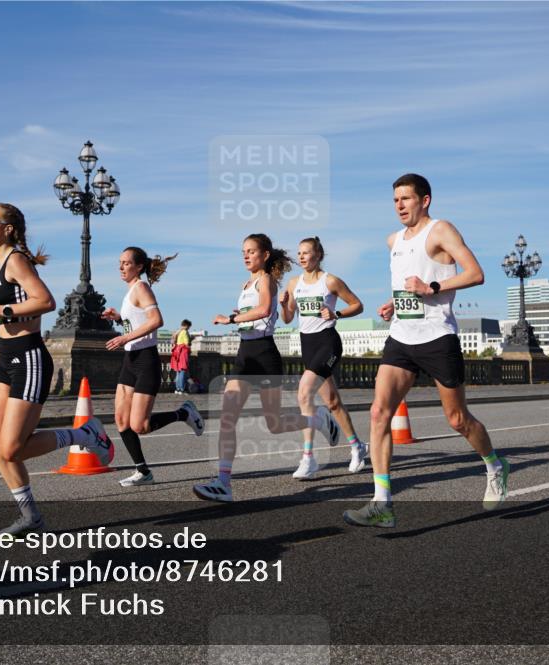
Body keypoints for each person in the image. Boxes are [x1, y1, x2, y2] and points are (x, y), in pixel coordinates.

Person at [343, 173, 507, 528]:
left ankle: (495, 465)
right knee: (378, 413)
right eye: (395, 200)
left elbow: (476, 273)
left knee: (457, 419)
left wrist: (431, 287)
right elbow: (409, 287)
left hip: (437, 338)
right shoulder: (394, 241)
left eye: (406, 199)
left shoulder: (441, 230)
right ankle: (382, 502)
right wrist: (393, 304)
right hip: (402, 337)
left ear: (425, 200)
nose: (399, 205)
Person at [0, 203, 112, 536]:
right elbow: (11, 311)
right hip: (6, 358)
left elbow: (45, 301)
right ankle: (30, 516)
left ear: (8, 228)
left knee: (11, 448)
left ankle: (85, 434)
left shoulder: (16, 259)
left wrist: (0, 309)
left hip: (29, 358)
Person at [193, 234, 340, 503]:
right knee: (228, 415)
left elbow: (262, 310)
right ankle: (223, 482)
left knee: (275, 424)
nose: (246, 256)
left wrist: (232, 318)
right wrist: (239, 315)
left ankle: (318, 419)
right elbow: (254, 312)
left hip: (264, 356)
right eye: (243, 252)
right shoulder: (247, 283)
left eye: (251, 251)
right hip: (244, 354)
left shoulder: (267, 280)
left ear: (265, 255)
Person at [100, 248, 205, 487]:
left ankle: (184, 413)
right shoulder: (129, 292)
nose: (121, 267)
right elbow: (137, 321)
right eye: (119, 263)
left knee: (140, 426)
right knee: (121, 420)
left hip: (146, 361)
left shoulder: (142, 288)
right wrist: (118, 319)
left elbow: (157, 320)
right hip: (130, 361)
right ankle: (143, 471)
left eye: (126, 263)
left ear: (138, 267)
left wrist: (124, 338)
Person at [279, 236, 367, 478]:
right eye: (299, 253)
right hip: (307, 345)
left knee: (304, 391)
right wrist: (283, 304)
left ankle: (308, 458)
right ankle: (357, 446)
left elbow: (358, 305)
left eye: (306, 252)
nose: (302, 257)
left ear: (318, 255)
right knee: (333, 403)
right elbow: (287, 319)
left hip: (328, 343)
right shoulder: (293, 283)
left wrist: (335, 312)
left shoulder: (330, 281)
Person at [170, 319, 193, 394]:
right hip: (183, 353)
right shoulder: (185, 332)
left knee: (178, 372)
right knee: (183, 371)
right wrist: (191, 339)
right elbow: (187, 343)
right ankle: (181, 389)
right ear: (187, 326)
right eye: (189, 327)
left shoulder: (178, 332)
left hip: (177, 353)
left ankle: (177, 389)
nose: (189, 328)